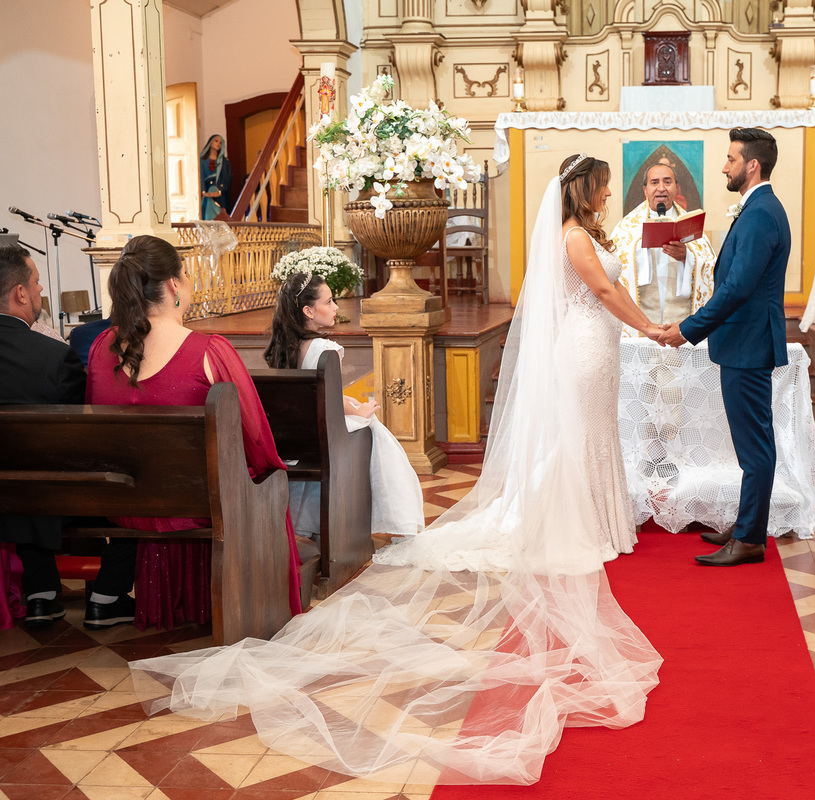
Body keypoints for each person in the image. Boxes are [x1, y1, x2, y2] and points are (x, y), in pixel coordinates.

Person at [128, 155, 663, 785]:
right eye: (601, 186)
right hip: (586, 345)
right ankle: (575, 515)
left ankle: (597, 515)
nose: (607, 194)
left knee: (591, 436)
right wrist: (652, 328)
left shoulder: (111, 354)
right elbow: (601, 291)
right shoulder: (572, 237)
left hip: (145, 490)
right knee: (577, 439)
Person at [87, 235, 303, 631]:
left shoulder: (102, 347)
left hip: (126, 503)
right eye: (186, 276)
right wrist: (273, 467)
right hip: (197, 503)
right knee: (272, 478)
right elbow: (256, 439)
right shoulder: (209, 350)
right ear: (173, 285)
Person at [660, 128, 791, 567]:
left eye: (731, 159)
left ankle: (751, 538)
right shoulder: (758, 208)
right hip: (745, 341)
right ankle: (747, 523)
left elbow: (736, 287)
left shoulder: (758, 214)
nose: (724, 167)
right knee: (752, 444)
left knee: (755, 448)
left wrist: (689, 328)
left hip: (748, 343)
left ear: (751, 165)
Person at [0, 245, 137, 630]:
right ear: (20, 294)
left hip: (12, 494)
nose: (41, 291)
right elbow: (86, 428)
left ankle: (41, 593)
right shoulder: (51, 356)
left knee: (24, 480)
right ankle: (106, 595)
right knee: (133, 490)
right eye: (37, 283)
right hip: (54, 494)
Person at [264, 271, 424, 539]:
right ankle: (381, 519)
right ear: (309, 311)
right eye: (328, 302)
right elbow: (331, 403)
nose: (336, 308)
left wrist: (350, 403)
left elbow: (317, 396)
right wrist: (360, 411)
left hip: (295, 440)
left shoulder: (284, 348)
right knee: (373, 429)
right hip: (324, 437)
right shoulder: (327, 350)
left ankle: (313, 521)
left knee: (362, 417)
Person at [610, 163, 716, 336]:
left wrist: (687, 257)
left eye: (667, 182)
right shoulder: (626, 229)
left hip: (680, 317)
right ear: (645, 190)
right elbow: (613, 271)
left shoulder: (692, 226)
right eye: (654, 182)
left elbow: (710, 266)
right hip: (642, 317)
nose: (661, 188)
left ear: (676, 188)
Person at [200, 134, 232, 220]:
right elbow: (201, 176)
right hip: (207, 194)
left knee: (220, 219)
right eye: (216, 141)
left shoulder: (224, 162)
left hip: (219, 194)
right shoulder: (202, 160)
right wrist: (203, 192)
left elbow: (227, 178)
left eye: (220, 142)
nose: (218, 144)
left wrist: (220, 190)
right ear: (210, 143)